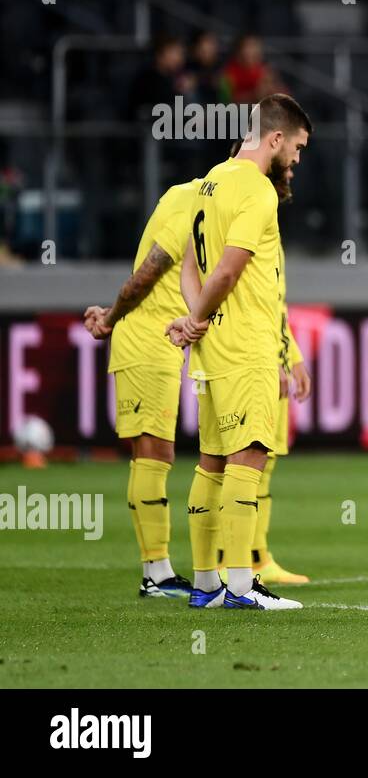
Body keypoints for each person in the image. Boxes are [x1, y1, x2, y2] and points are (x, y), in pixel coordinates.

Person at [166, 93, 311, 611]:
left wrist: (194, 318)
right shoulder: (256, 189)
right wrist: (198, 316)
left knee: (210, 463)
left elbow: (189, 265)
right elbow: (226, 270)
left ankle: (205, 584)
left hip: (211, 348)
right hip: (246, 345)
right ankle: (242, 588)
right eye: (297, 147)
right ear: (275, 138)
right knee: (249, 456)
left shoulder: (211, 180)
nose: (296, 159)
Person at [83, 178, 202, 598]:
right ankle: (157, 572)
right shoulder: (192, 200)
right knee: (153, 454)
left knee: (156, 454)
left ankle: (158, 569)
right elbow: (147, 273)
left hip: (162, 339)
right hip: (148, 339)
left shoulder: (195, 198)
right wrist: (112, 316)